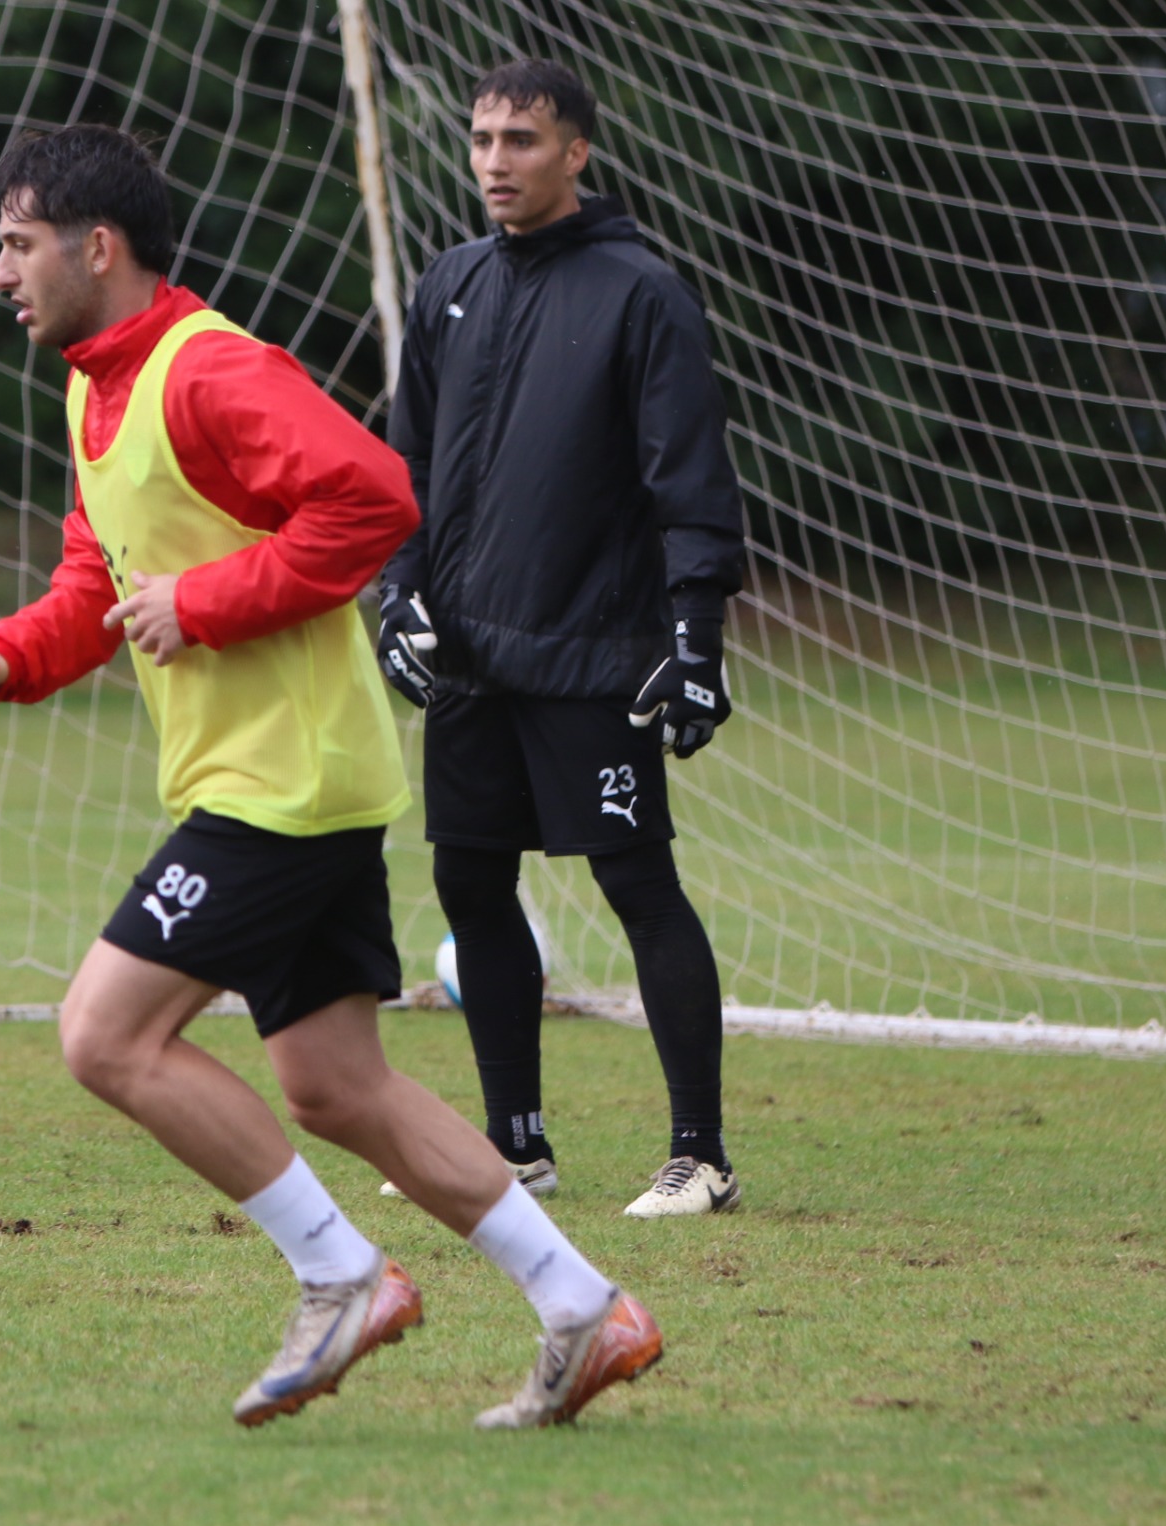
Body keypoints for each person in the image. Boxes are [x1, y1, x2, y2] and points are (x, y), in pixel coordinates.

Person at [0, 123, 659, 1430]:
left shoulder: (209, 370)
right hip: (284, 784)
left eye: (18, 243)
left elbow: (376, 496)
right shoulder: (100, 387)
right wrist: (7, 657)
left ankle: (339, 1274)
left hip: (281, 787)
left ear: (98, 248)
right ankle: (582, 1304)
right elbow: (97, 583)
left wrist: (205, 603)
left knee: (105, 1032)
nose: (1, 272)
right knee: (335, 1085)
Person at [374, 59, 748, 1219]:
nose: (494, 162)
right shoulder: (448, 285)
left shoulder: (643, 294)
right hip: (473, 663)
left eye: (521, 141)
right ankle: (512, 1145)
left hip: (595, 654)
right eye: (482, 139)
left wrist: (694, 638)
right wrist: (396, 595)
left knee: (640, 885)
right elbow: (406, 475)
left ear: (575, 151)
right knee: (469, 883)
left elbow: (689, 483)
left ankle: (701, 1155)